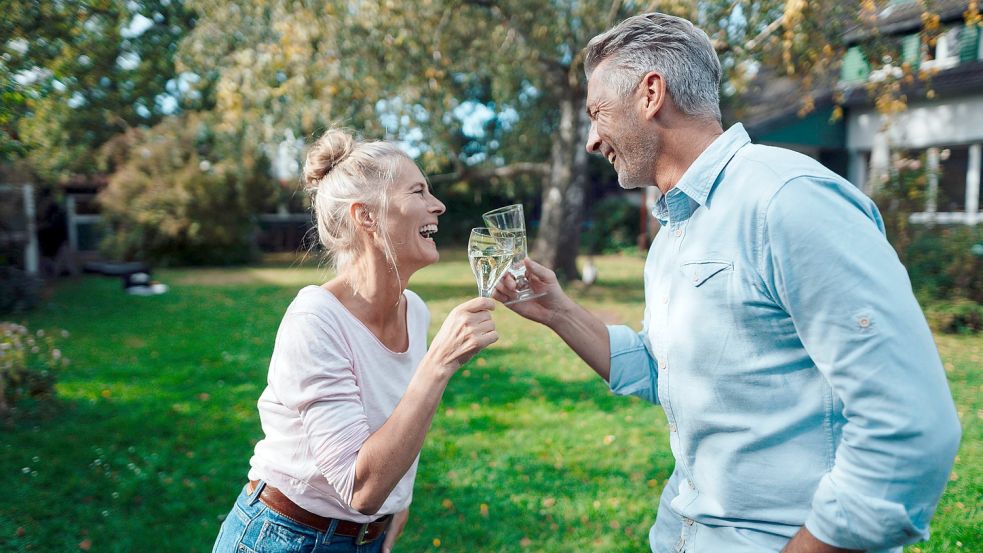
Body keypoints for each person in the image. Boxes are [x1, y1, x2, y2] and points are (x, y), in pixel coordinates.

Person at [495, 12, 961, 553]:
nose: (592, 140)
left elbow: (909, 428)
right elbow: (661, 368)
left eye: (598, 113)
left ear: (651, 95)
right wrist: (557, 310)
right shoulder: (675, 228)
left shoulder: (788, 199)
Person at [213, 129, 498, 553]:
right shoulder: (316, 320)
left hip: (365, 539)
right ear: (366, 216)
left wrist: (393, 512)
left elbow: (393, 424)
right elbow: (359, 487)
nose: (437, 204)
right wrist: (438, 364)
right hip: (283, 538)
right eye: (418, 191)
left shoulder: (414, 310)